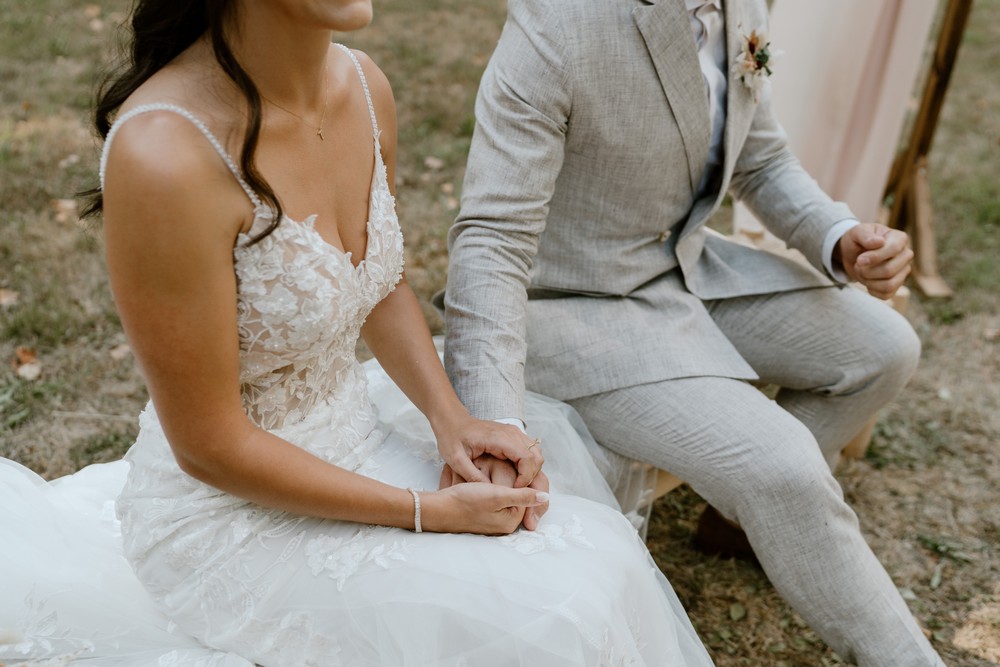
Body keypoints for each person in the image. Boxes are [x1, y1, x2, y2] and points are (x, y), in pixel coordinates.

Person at [0, 1, 716, 665]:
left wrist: (451, 420)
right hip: (227, 517)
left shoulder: (364, 86)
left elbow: (377, 282)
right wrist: (427, 513)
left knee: (598, 566)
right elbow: (208, 445)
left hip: (358, 434)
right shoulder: (164, 153)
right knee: (544, 624)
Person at [442, 1, 945, 666]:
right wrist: (494, 420)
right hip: (574, 306)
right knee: (785, 462)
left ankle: (743, 523)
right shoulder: (557, 23)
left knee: (886, 349)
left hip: (688, 268)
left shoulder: (743, 4)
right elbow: (493, 240)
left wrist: (839, 237)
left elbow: (760, 160)